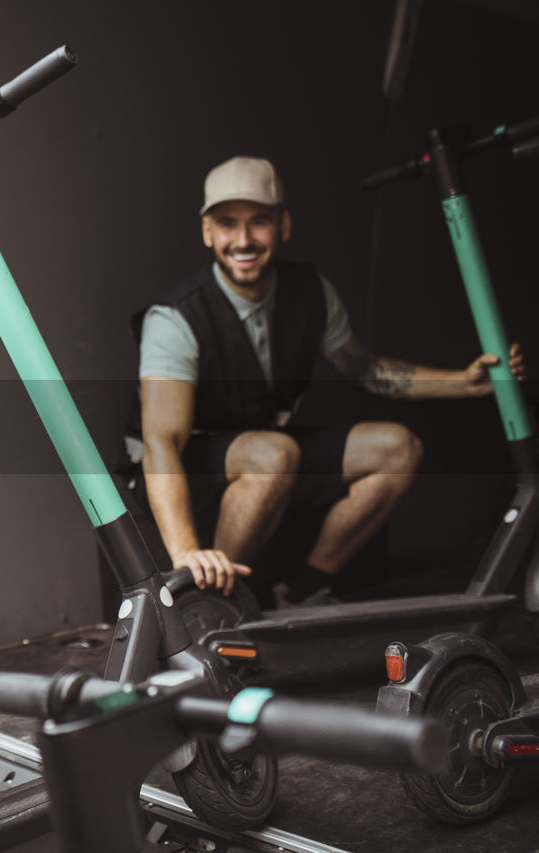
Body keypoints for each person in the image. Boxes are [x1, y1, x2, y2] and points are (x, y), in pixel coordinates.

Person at [134, 155, 525, 605]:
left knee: (396, 448)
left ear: (284, 225)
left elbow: (364, 369)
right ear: (207, 232)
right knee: (274, 452)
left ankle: (304, 592)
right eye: (227, 224)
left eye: (259, 222)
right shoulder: (176, 317)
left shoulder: (310, 291)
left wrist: (464, 382)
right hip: (190, 472)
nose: (243, 240)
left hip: (268, 454)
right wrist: (185, 553)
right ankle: (205, 605)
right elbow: (161, 442)